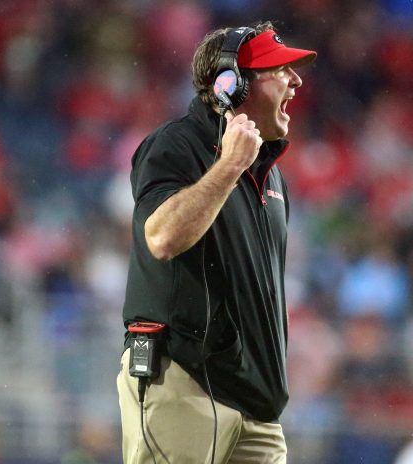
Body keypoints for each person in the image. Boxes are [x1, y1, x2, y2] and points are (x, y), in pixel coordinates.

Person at [116, 21, 316, 463]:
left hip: (258, 406)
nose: (296, 81)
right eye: (279, 70)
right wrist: (227, 167)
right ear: (231, 84)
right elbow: (162, 237)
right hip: (186, 384)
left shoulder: (270, 172)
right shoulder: (177, 144)